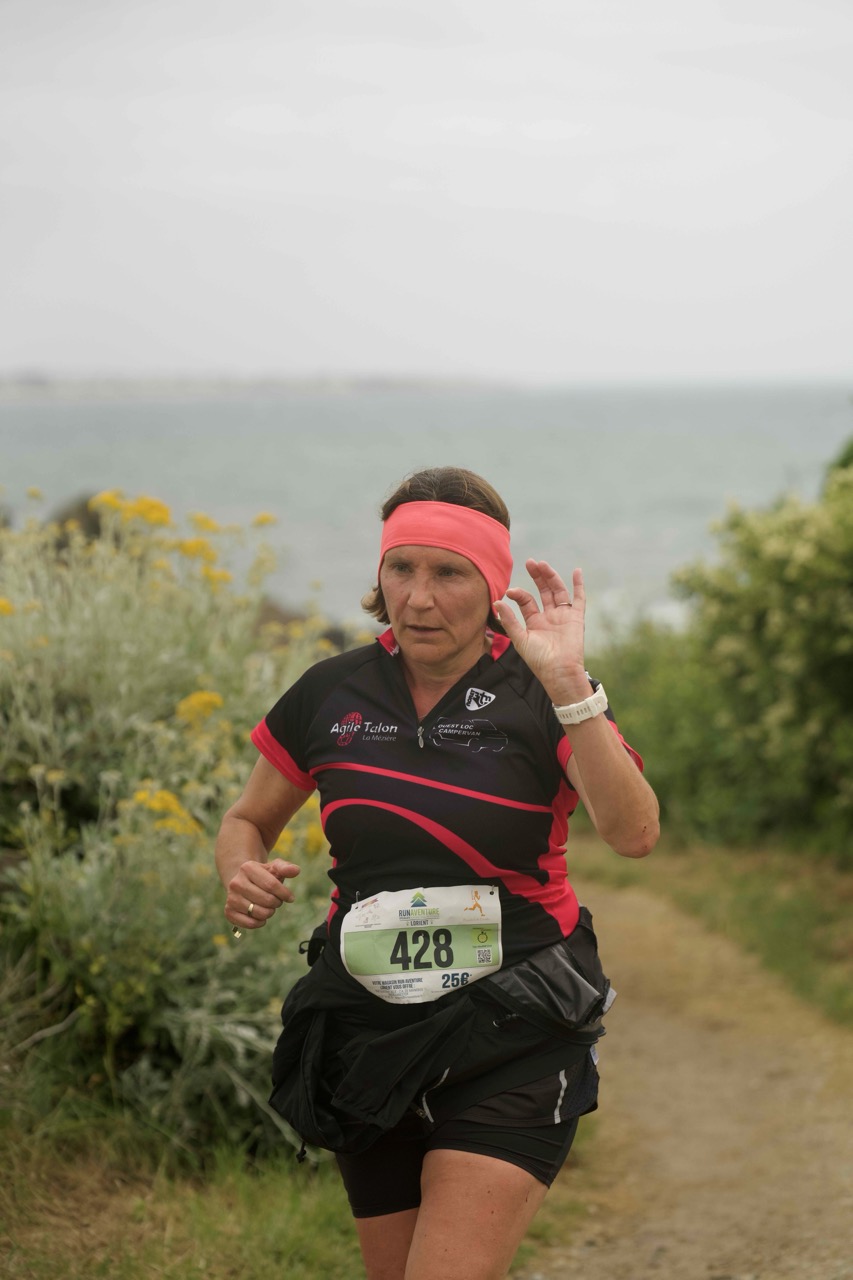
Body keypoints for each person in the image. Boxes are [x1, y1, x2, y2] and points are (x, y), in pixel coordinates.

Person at [215, 466, 659, 1280]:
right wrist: (241, 873)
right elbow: (246, 820)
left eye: (448, 573)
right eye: (401, 570)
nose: (418, 599)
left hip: (514, 1027)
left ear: (491, 586)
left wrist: (569, 685)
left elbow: (634, 834)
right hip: (367, 1029)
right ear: (379, 575)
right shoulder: (330, 692)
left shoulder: (541, 690)